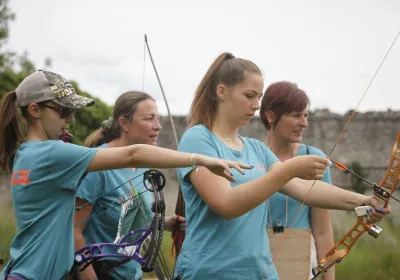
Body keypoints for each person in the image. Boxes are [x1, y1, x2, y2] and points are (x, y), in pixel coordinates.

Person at [0, 70, 252, 280]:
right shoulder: (52, 153)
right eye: (64, 112)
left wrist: (163, 223)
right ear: (34, 110)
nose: (71, 119)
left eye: (72, 111)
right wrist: (200, 159)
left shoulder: (27, 153)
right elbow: (132, 155)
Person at [171, 53, 390, 280]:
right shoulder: (197, 139)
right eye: (249, 96)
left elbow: (305, 190)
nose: (256, 105)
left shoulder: (256, 149)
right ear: (221, 91)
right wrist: (290, 169)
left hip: (261, 272)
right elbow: (226, 205)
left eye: (259, 97)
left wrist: (362, 201)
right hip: (208, 273)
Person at [73, 91, 186, 280]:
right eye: (149, 119)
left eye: (158, 119)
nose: (157, 126)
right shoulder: (98, 165)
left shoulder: (141, 165)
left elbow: (129, 217)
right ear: (124, 123)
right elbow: (73, 231)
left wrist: (165, 223)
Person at [260, 81, 334, 280]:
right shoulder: (251, 156)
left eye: (306, 115)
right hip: (256, 263)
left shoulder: (314, 158)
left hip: (301, 265)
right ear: (271, 116)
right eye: (296, 115)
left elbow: (323, 233)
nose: (304, 123)